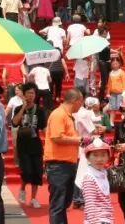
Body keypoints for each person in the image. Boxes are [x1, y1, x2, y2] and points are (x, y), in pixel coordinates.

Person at [44, 88, 83, 224]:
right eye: (81, 102)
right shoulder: (59, 114)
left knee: (64, 202)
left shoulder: (67, 115)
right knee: (58, 204)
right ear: (75, 100)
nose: (81, 105)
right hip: (58, 165)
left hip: (67, 164)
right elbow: (57, 137)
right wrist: (78, 140)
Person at [10, 83, 46, 209]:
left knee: (37, 172)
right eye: (28, 93)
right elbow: (14, 123)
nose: (31, 95)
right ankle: (22, 189)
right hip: (23, 144)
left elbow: (44, 127)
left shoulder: (40, 110)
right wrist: (23, 107)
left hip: (35, 143)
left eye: (33, 93)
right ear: (24, 94)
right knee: (27, 171)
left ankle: (34, 198)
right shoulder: (18, 108)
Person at [79, 137, 114, 224]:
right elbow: (90, 206)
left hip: (106, 220)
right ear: (88, 157)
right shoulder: (89, 179)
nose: (99, 159)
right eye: (95, 155)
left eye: (103, 155)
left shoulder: (103, 173)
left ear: (108, 157)